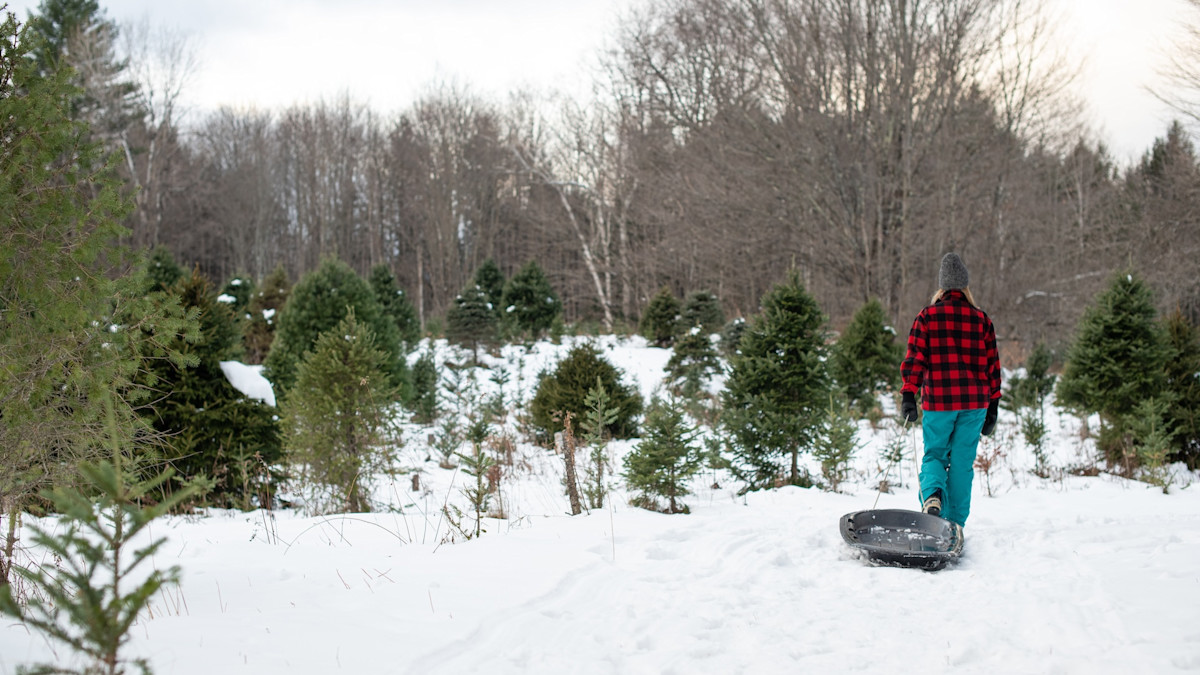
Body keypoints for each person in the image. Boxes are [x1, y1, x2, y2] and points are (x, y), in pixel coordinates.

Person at [899, 253, 1001, 530]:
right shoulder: (982, 320)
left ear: (941, 287)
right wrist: (993, 405)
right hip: (974, 403)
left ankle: (932, 497)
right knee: (962, 464)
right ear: (966, 287)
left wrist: (909, 393)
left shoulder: (927, 317)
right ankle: (954, 524)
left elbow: (915, 358)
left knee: (935, 455)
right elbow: (993, 366)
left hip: (940, 402)